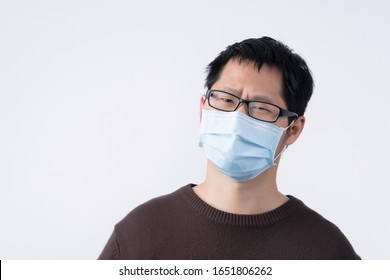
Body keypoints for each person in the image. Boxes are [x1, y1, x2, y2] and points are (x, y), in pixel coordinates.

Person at [98, 37, 360, 260]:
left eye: (261, 107)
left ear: (293, 129)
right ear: (203, 107)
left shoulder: (326, 252)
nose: (237, 118)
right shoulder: (139, 234)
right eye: (225, 99)